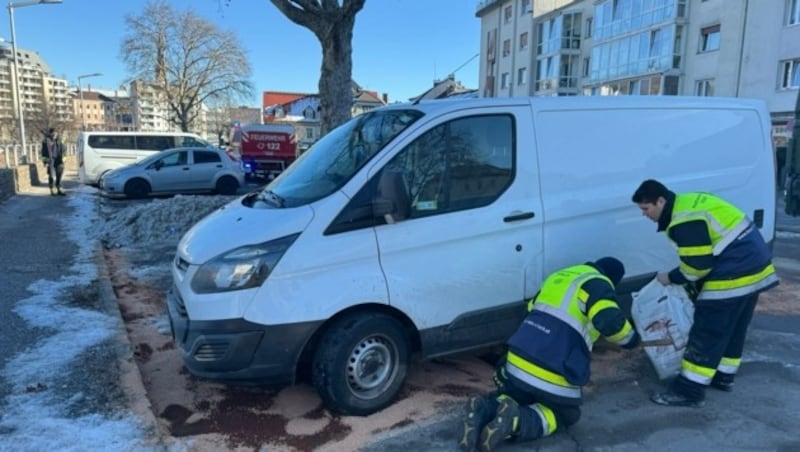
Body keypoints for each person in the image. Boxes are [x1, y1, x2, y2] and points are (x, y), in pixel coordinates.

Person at [457, 257, 640, 452]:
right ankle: (516, 422)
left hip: (517, 361)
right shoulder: (598, 285)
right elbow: (611, 322)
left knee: (515, 395)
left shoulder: (558, 278)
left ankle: (483, 412)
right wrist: (631, 339)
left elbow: (530, 312)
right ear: (612, 279)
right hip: (552, 369)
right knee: (566, 414)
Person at [631, 179, 779, 407]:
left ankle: (689, 390)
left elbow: (697, 267)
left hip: (735, 271)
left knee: (707, 330)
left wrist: (669, 277)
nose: (644, 215)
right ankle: (723, 376)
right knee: (733, 327)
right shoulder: (688, 204)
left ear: (660, 201)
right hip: (754, 267)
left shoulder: (683, 220)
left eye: (646, 208)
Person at [41, 128, 65, 196]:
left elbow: (64, 149)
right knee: (51, 175)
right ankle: (52, 189)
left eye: (56, 133)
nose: (55, 135)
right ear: (50, 134)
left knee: (59, 175)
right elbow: (43, 152)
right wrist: (45, 162)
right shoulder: (46, 141)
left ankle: (59, 188)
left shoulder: (59, 140)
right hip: (50, 160)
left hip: (59, 159)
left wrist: (64, 158)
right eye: (53, 133)